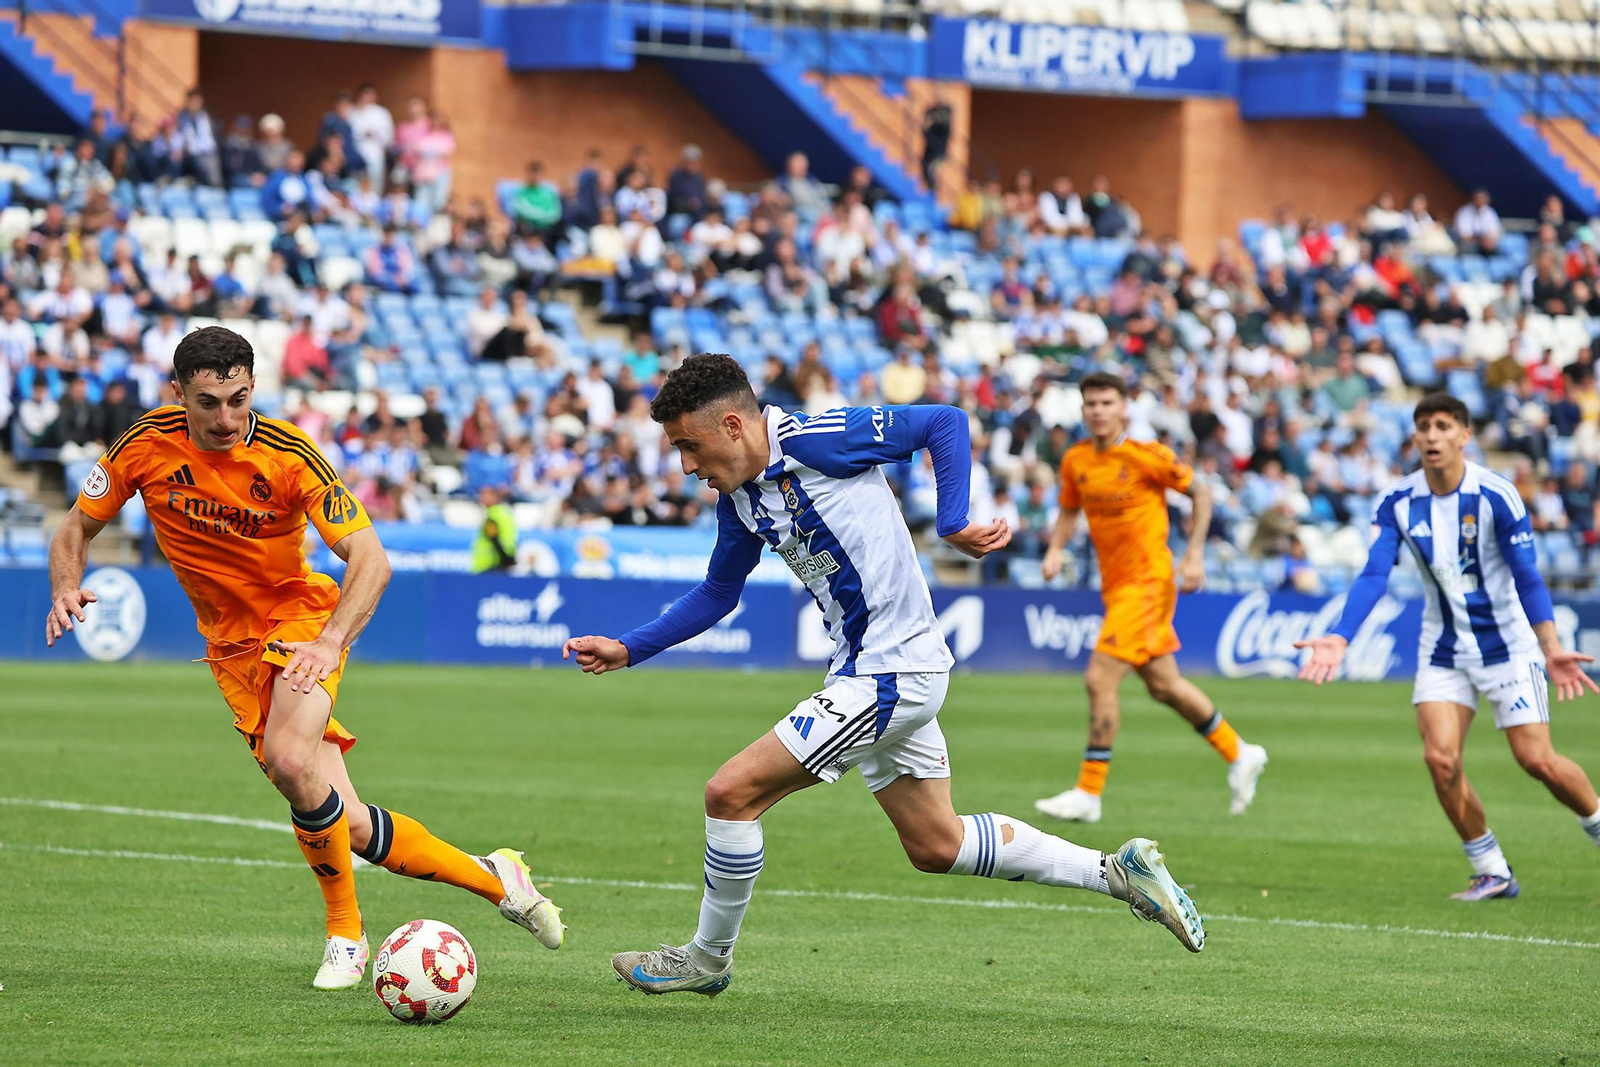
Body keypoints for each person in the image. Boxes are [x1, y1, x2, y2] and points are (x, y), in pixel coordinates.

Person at [561, 354, 1204, 997]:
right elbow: (718, 592)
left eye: (688, 445)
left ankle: (707, 959)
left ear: (733, 425)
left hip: (891, 672)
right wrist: (629, 647)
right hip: (874, 671)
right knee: (936, 842)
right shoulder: (741, 499)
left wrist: (952, 520)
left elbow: (944, 423)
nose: (686, 466)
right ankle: (1116, 873)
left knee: (730, 794)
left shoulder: (817, 439)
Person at [43, 327, 564, 989]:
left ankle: (345, 933)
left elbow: (371, 559)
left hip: (299, 618)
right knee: (342, 818)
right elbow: (75, 527)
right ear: (178, 394)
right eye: (208, 402)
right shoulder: (144, 443)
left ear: (253, 387)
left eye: (238, 398)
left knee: (290, 761)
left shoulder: (290, 454)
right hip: (230, 649)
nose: (226, 417)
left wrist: (328, 641)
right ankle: (498, 879)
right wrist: (65, 583)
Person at [1294, 392, 1600, 900]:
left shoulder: (1497, 494)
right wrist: (1339, 636)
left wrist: (1550, 646)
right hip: (1443, 649)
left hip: (1509, 647)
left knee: (1537, 761)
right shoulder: (1397, 501)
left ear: (1464, 434)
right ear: (1414, 437)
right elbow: (1375, 573)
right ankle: (1492, 870)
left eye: (1442, 426)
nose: (1431, 436)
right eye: (1423, 427)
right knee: (1441, 760)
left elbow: (1527, 576)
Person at [1036, 372, 1268, 823]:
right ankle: (1240, 751)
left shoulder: (1147, 456)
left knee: (1099, 680)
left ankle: (1089, 791)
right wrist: (1054, 548)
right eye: (1091, 403)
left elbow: (1201, 491)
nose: (1098, 411)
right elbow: (1068, 508)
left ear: (1125, 408)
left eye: (1107, 402)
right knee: (1164, 686)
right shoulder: (1076, 460)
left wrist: (1195, 554)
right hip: (1116, 587)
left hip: (1148, 584)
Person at [471, 484, 517, 573]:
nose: (481, 498)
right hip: (502, 562)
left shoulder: (493, 515)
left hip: (491, 565)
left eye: (485, 495)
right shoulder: (505, 512)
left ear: (495, 497)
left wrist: (505, 558)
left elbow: (493, 538)